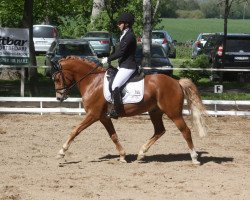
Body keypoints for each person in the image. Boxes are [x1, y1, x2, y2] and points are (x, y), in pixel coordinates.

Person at [102, 12, 137, 119]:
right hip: (123, 65)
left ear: (126, 24)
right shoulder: (124, 35)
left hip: (128, 66)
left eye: (120, 23)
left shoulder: (130, 36)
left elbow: (121, 52)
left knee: (115, 86)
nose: (118, 25)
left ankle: (117, 111)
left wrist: (108, 58)